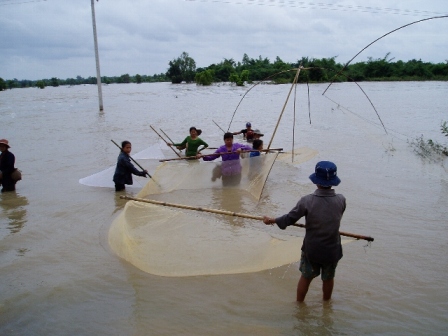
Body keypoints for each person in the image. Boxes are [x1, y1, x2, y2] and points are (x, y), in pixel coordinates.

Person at [262, 161, 345, 302]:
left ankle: (299, 305)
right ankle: (326, 304)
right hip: (332, 249)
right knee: (329, 278)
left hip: (312, 249)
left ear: (316, 181)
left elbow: (289, 218)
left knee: (306, 277)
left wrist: (272, 220)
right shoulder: (341, 200)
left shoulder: (307, 201)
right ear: (333, 181)